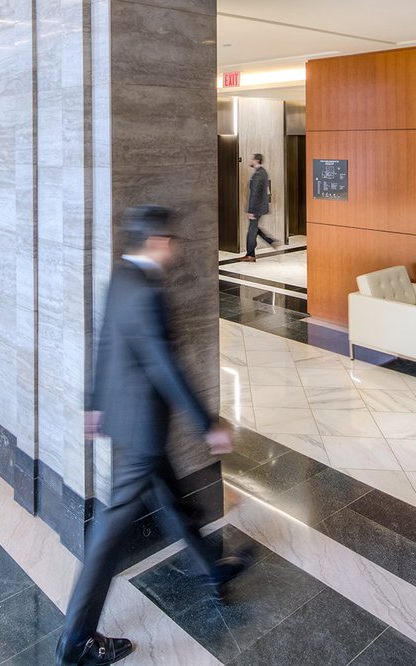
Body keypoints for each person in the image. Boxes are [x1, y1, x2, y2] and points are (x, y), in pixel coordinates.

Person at [57, 205, 248, 666]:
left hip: (129, 420)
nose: (174, 249)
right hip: (143, 428)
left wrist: (95, 403)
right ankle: (75, 640)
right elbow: (165, 365)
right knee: (110, 533)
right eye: (171, 241)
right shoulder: (146, 291)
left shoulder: (121, 278)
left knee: (174, 500)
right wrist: (208, 424)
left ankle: (211, 570)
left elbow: (105, 342)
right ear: (158, 242)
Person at [240, 153, 278, 262]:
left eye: (252, 159)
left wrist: (251, 210)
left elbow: (255, 194)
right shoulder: (263, 172)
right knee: (254, 228)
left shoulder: (258, 175)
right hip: (260, 207)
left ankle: (250, 255)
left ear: (256, 160)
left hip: (256, 208)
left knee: (251, 231)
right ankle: (271, 241)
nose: (250, 161)